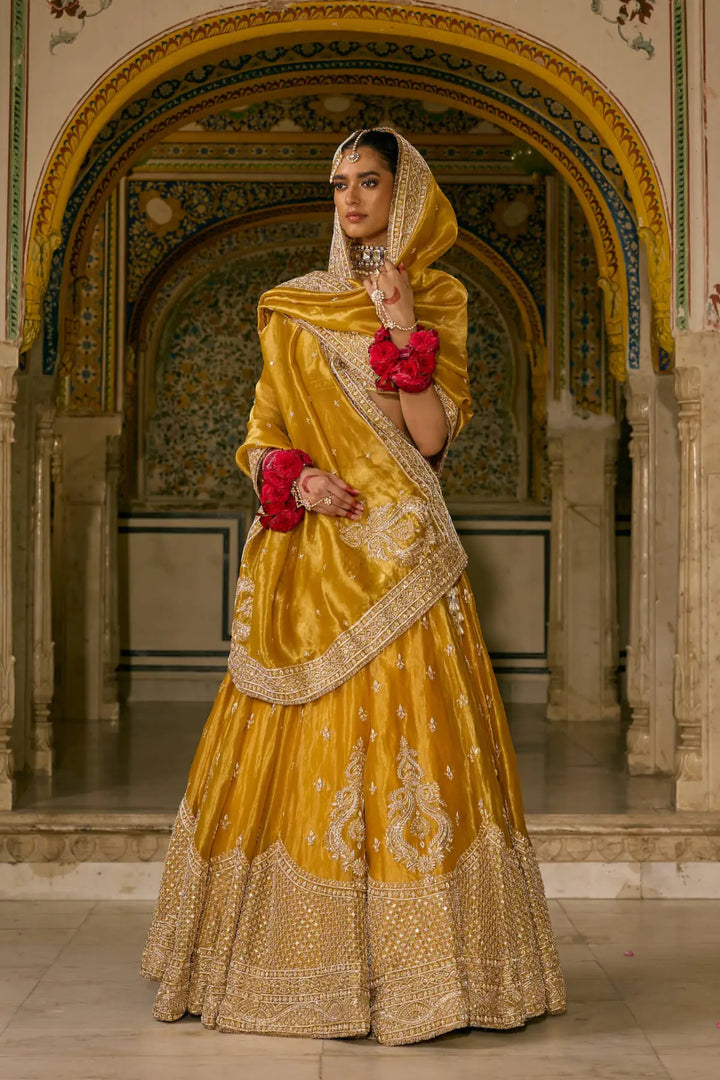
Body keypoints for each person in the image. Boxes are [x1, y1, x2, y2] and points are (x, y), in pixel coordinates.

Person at [141, 127, 566, 1046]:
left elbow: (431, 441)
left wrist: (403, 322)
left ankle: (430, 979)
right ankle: (287, 970)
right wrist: (296, 479)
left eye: (368, 181)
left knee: (417, 760)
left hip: (407, 564)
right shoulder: (293, 308)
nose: (350, 198)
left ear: (406, 193)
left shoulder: (440, 295)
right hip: (312, 566)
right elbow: (256, 435)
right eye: (339, 183)